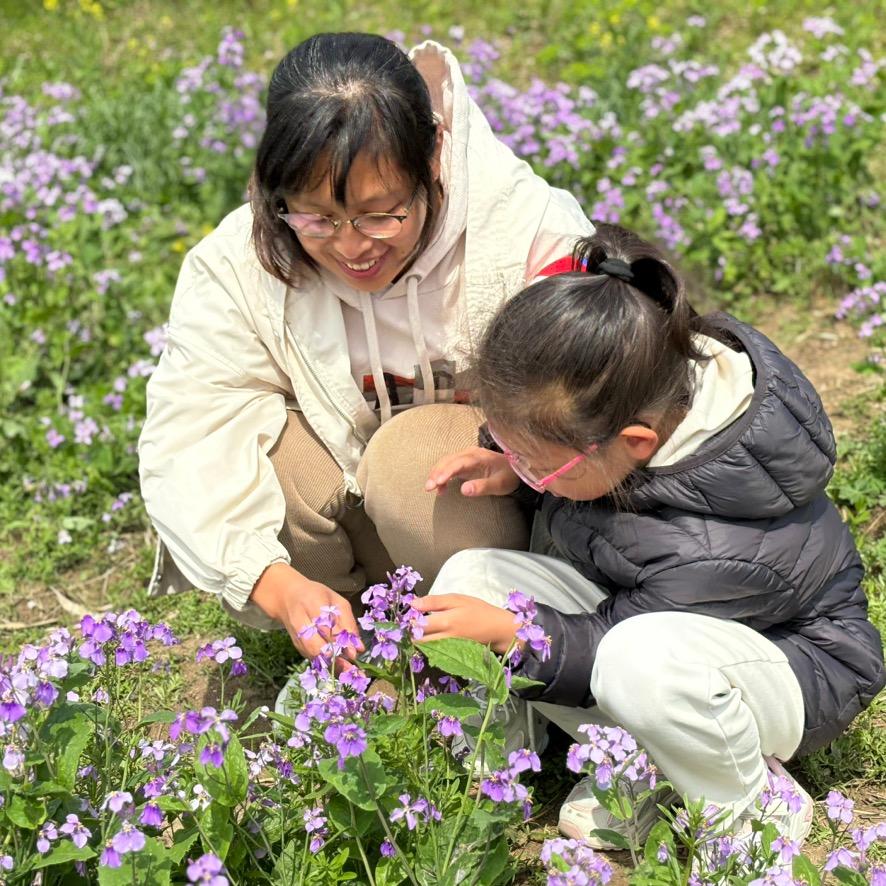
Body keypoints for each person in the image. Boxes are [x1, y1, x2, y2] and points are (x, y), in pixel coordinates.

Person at [416, 223, 886, 848]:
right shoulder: (644, 404)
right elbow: (605, 497)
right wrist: (522, 475)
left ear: (633, 444)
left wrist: (514, 634)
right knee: (472, 578)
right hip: (662, 630)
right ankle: (497, 771)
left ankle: (748, 805)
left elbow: (616, 641)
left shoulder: (716, 546)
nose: (521, 465)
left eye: (535, 459)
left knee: (633, 662)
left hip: (784, 669)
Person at [137, 31, 594, 664]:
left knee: (409, 460)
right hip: (360, 530)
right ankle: (364, 657)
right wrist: (272, 582)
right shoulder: (236, 263)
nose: (353, 247)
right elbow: (190, 431)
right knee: (262, 461)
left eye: (382, 215)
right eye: (317, 218)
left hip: (497, 526)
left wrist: (517, 462)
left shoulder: (523, 231)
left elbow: (604, 399)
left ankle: (487, 658)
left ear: (433, 155)